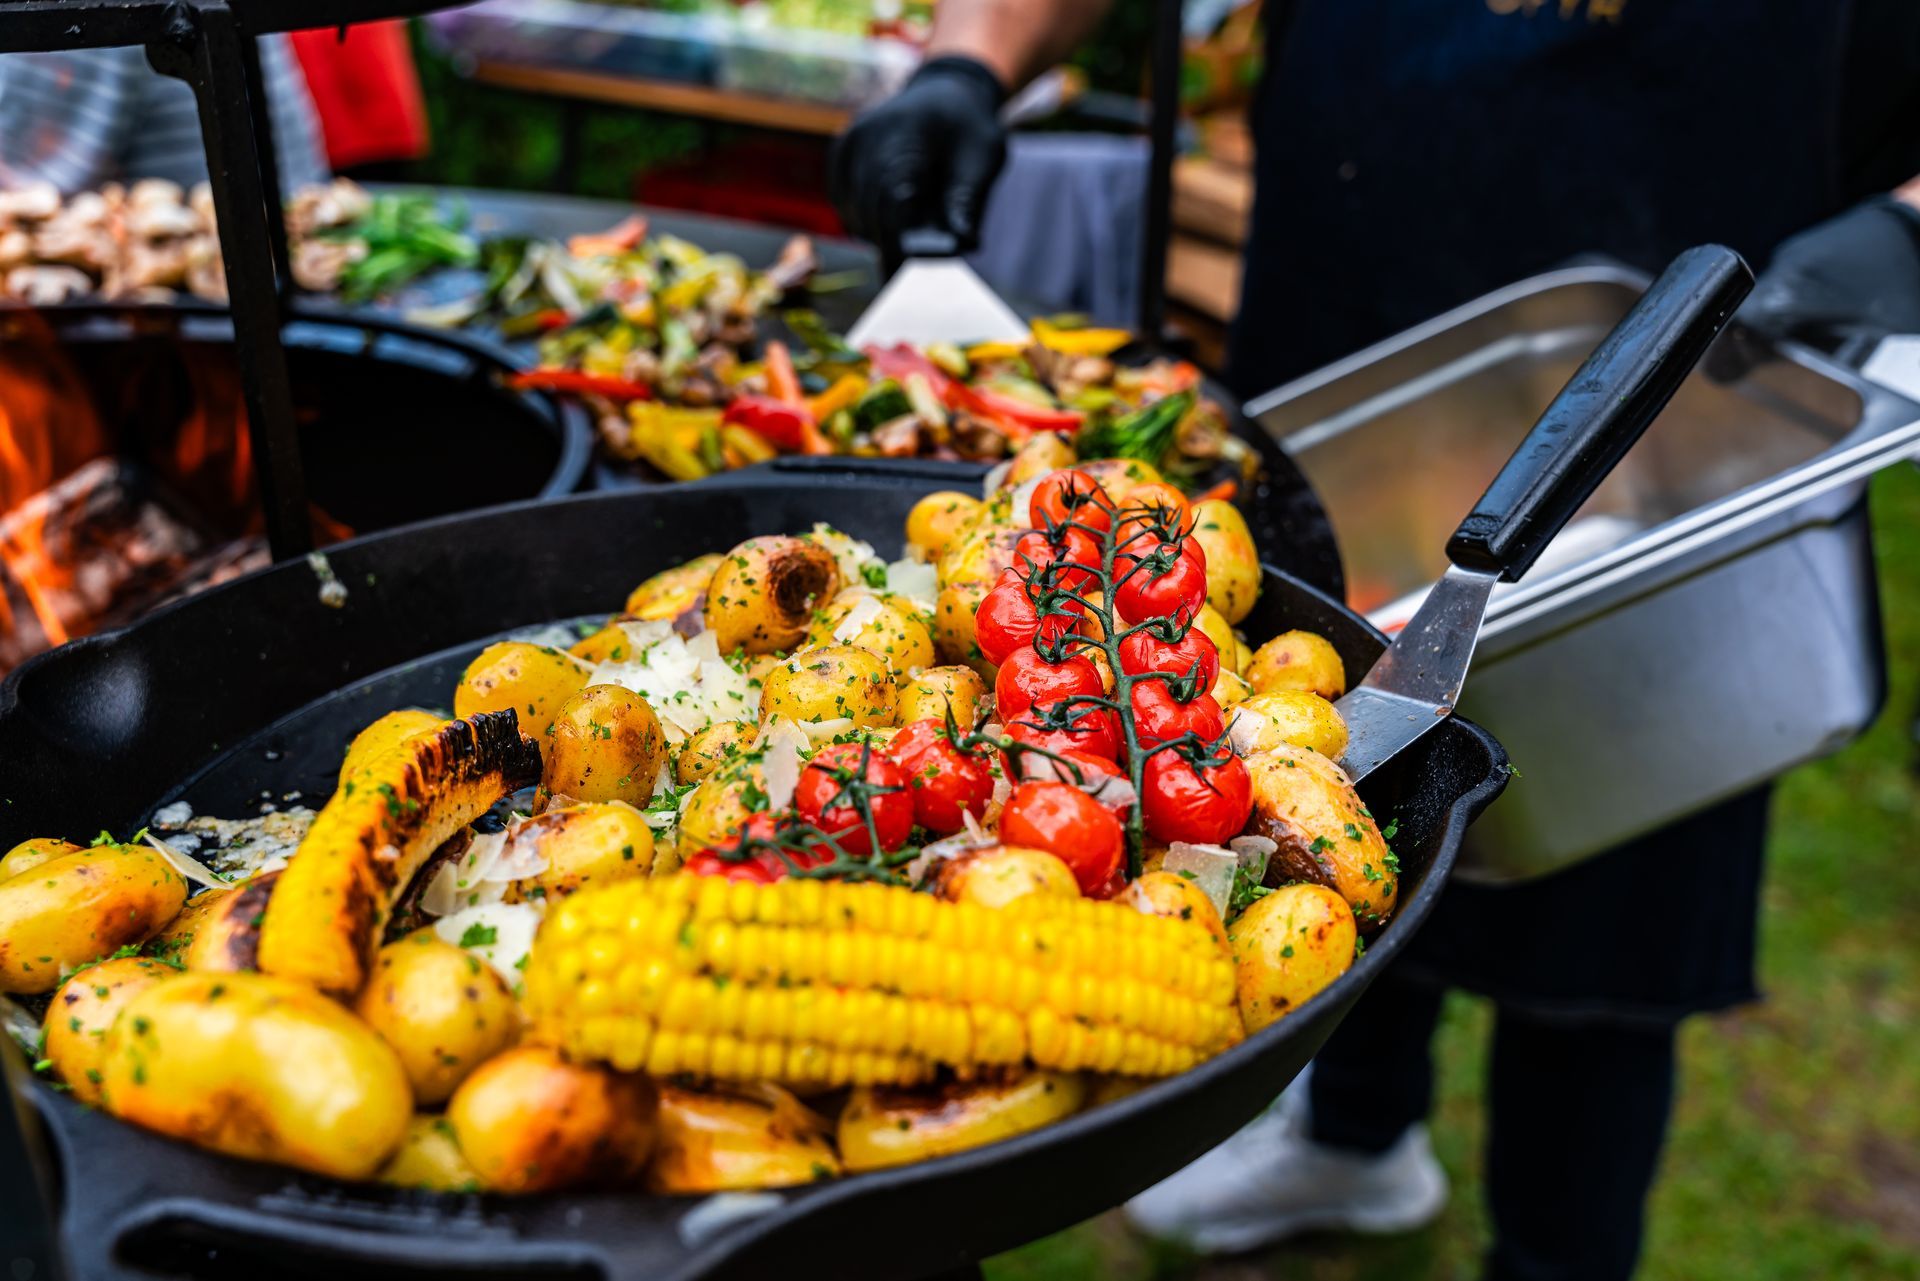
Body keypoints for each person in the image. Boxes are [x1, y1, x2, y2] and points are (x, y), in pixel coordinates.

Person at [830, 4, 1920, 1279]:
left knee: (1623, 878)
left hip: (1691, 360)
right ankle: (1353, 1137)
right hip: (1352, 290)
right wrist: (975, 57)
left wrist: (1909, 222)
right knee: (1341, 761)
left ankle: (1560, 1255)